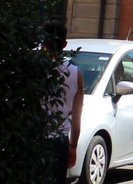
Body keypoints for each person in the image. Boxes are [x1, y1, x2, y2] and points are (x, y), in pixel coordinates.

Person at [42, 20, 84, 184]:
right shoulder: (76, 74)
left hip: (34, 139)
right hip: (59, 142)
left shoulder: (33, 71)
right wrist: (73, 147)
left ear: (44, 43)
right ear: (65, 44)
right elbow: (77, 118)